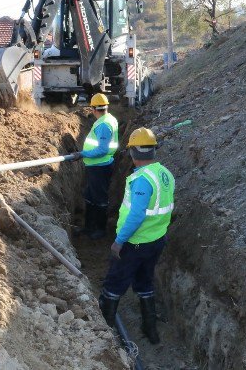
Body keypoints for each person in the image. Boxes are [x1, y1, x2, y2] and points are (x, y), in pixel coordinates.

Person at [98, 127, 175, 345]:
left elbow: (137, 214)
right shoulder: (164, 173)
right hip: (157, 240)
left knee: (114, 284)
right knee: (144, 281)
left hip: (135, 243)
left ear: (133, 153)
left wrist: (119, 241)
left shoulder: (142, 179)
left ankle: (105, 334)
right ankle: (150, 330)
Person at [70, 93, 119, 240]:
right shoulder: (107, 119)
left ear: (93, 109)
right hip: (96, 167)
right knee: (91, 197)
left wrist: (82, 154)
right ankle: (89, 227)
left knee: (100, 199)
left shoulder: (104, 124)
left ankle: (100, 229)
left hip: (100, 167)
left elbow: (103, 149)